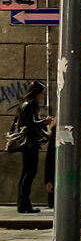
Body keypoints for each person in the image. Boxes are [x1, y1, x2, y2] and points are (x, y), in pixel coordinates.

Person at [8, 81, 47, 214]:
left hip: (29, 144)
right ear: (35, 93)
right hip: (29, 144)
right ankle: (24, 204)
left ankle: (24, 203)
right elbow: (31, 125)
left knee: (27, 173)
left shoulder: (25, 105)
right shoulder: (29, 105)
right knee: (29, 172)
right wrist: (44, 122)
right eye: (41, 93)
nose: (42, 96)